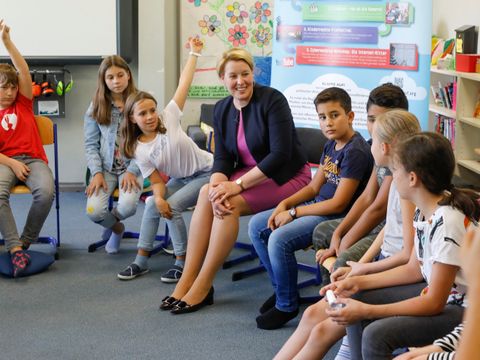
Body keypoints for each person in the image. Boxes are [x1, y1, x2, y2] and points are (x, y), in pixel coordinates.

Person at [160, 47, 311, 314]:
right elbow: (223, 158)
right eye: (233, 75)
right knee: (208, 192)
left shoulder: (272, 100)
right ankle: (186, 280)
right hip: (247, 175)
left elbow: (279, 155)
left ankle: (203, 285)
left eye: (245, 74)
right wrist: (218, 186)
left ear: (253, 74)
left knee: (227, 202)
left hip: (286, 175)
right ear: (222, 78)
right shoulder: (222, 108)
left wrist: (235, 186)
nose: (240, 81)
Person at [273, 110, 419, 359]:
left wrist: (363, 272)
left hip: (394, 274)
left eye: (373, 140)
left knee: (323, 331)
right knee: (311, 316)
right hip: (382, 264)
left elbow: (407, 253)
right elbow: (389, 229)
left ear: (383, 147)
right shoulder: (396, 177)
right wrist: (360, 265)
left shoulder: (407, 185)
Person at [325, 132, 479, 359]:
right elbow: (413, 269)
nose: (392, 177)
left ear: (413, 178)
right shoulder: (424, 209)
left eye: (395, 170)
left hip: (464, 310)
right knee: (357, 294)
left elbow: (434, 302)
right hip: (443, 297)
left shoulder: (447, 222)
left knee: (376, 335)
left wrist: (368, 311)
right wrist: (357, 281)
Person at [249, 87, 373, 330]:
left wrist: (294, 213)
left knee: (279, 239)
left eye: (334, 115)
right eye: (322, 117)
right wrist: (285, 204)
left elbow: (339, 203)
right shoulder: (330, 145)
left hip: (334, 215)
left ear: (350, 116)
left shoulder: (355, 150)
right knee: (257, 226)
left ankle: (286, 305)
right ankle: (284, 289)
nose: (328, 122)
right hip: (316, 206)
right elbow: (314, 186)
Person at [117, 37, 213, 283]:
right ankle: (141, 260)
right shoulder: (138, 149)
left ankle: (182, 261)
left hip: (207, 173)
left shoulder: (168, 116)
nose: (150, 116)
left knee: (174, 208)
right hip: (182, 179)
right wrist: (158, 197)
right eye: (142, 113)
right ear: (132, 119)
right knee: (152, 204)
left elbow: (184, 83)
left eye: (152, 110)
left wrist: (194, 53)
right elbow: (157, 181)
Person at [313, 83, 409, 284]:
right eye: (371, 119)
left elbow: (378, 209)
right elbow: (367, 198)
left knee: (343, 260)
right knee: (323, 232)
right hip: (379, 223)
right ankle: (327, 294)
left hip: (387, 227)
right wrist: (339, 232)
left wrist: (345, 241)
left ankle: (339, 301)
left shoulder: (401, 157)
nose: (375, 127)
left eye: (384, 120)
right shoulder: (376, 147)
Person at [0, 20, 54, 277]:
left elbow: (23, 70)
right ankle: (13, 250)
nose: (10, 91)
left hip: (33, 159)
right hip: (4, 161)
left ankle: (24, 243)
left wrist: (8, 44)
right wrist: (11, 163)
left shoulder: (22, 103)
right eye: (4, 87)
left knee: (45, 192)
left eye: (12, 86)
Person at [84, 54, 143, 254]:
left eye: (120, 75)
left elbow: (149, 142)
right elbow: (90, 144)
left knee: (127, 206)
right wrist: (97, 173)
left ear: (128, 75)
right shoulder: (96, 105)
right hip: (105, 168)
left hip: (133, 167)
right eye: (110, 77)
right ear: (104, 80)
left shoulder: (140, 102)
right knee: (93, 211)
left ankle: (110, 224)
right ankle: (117, 229)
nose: (116, 81)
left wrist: (133, 171)